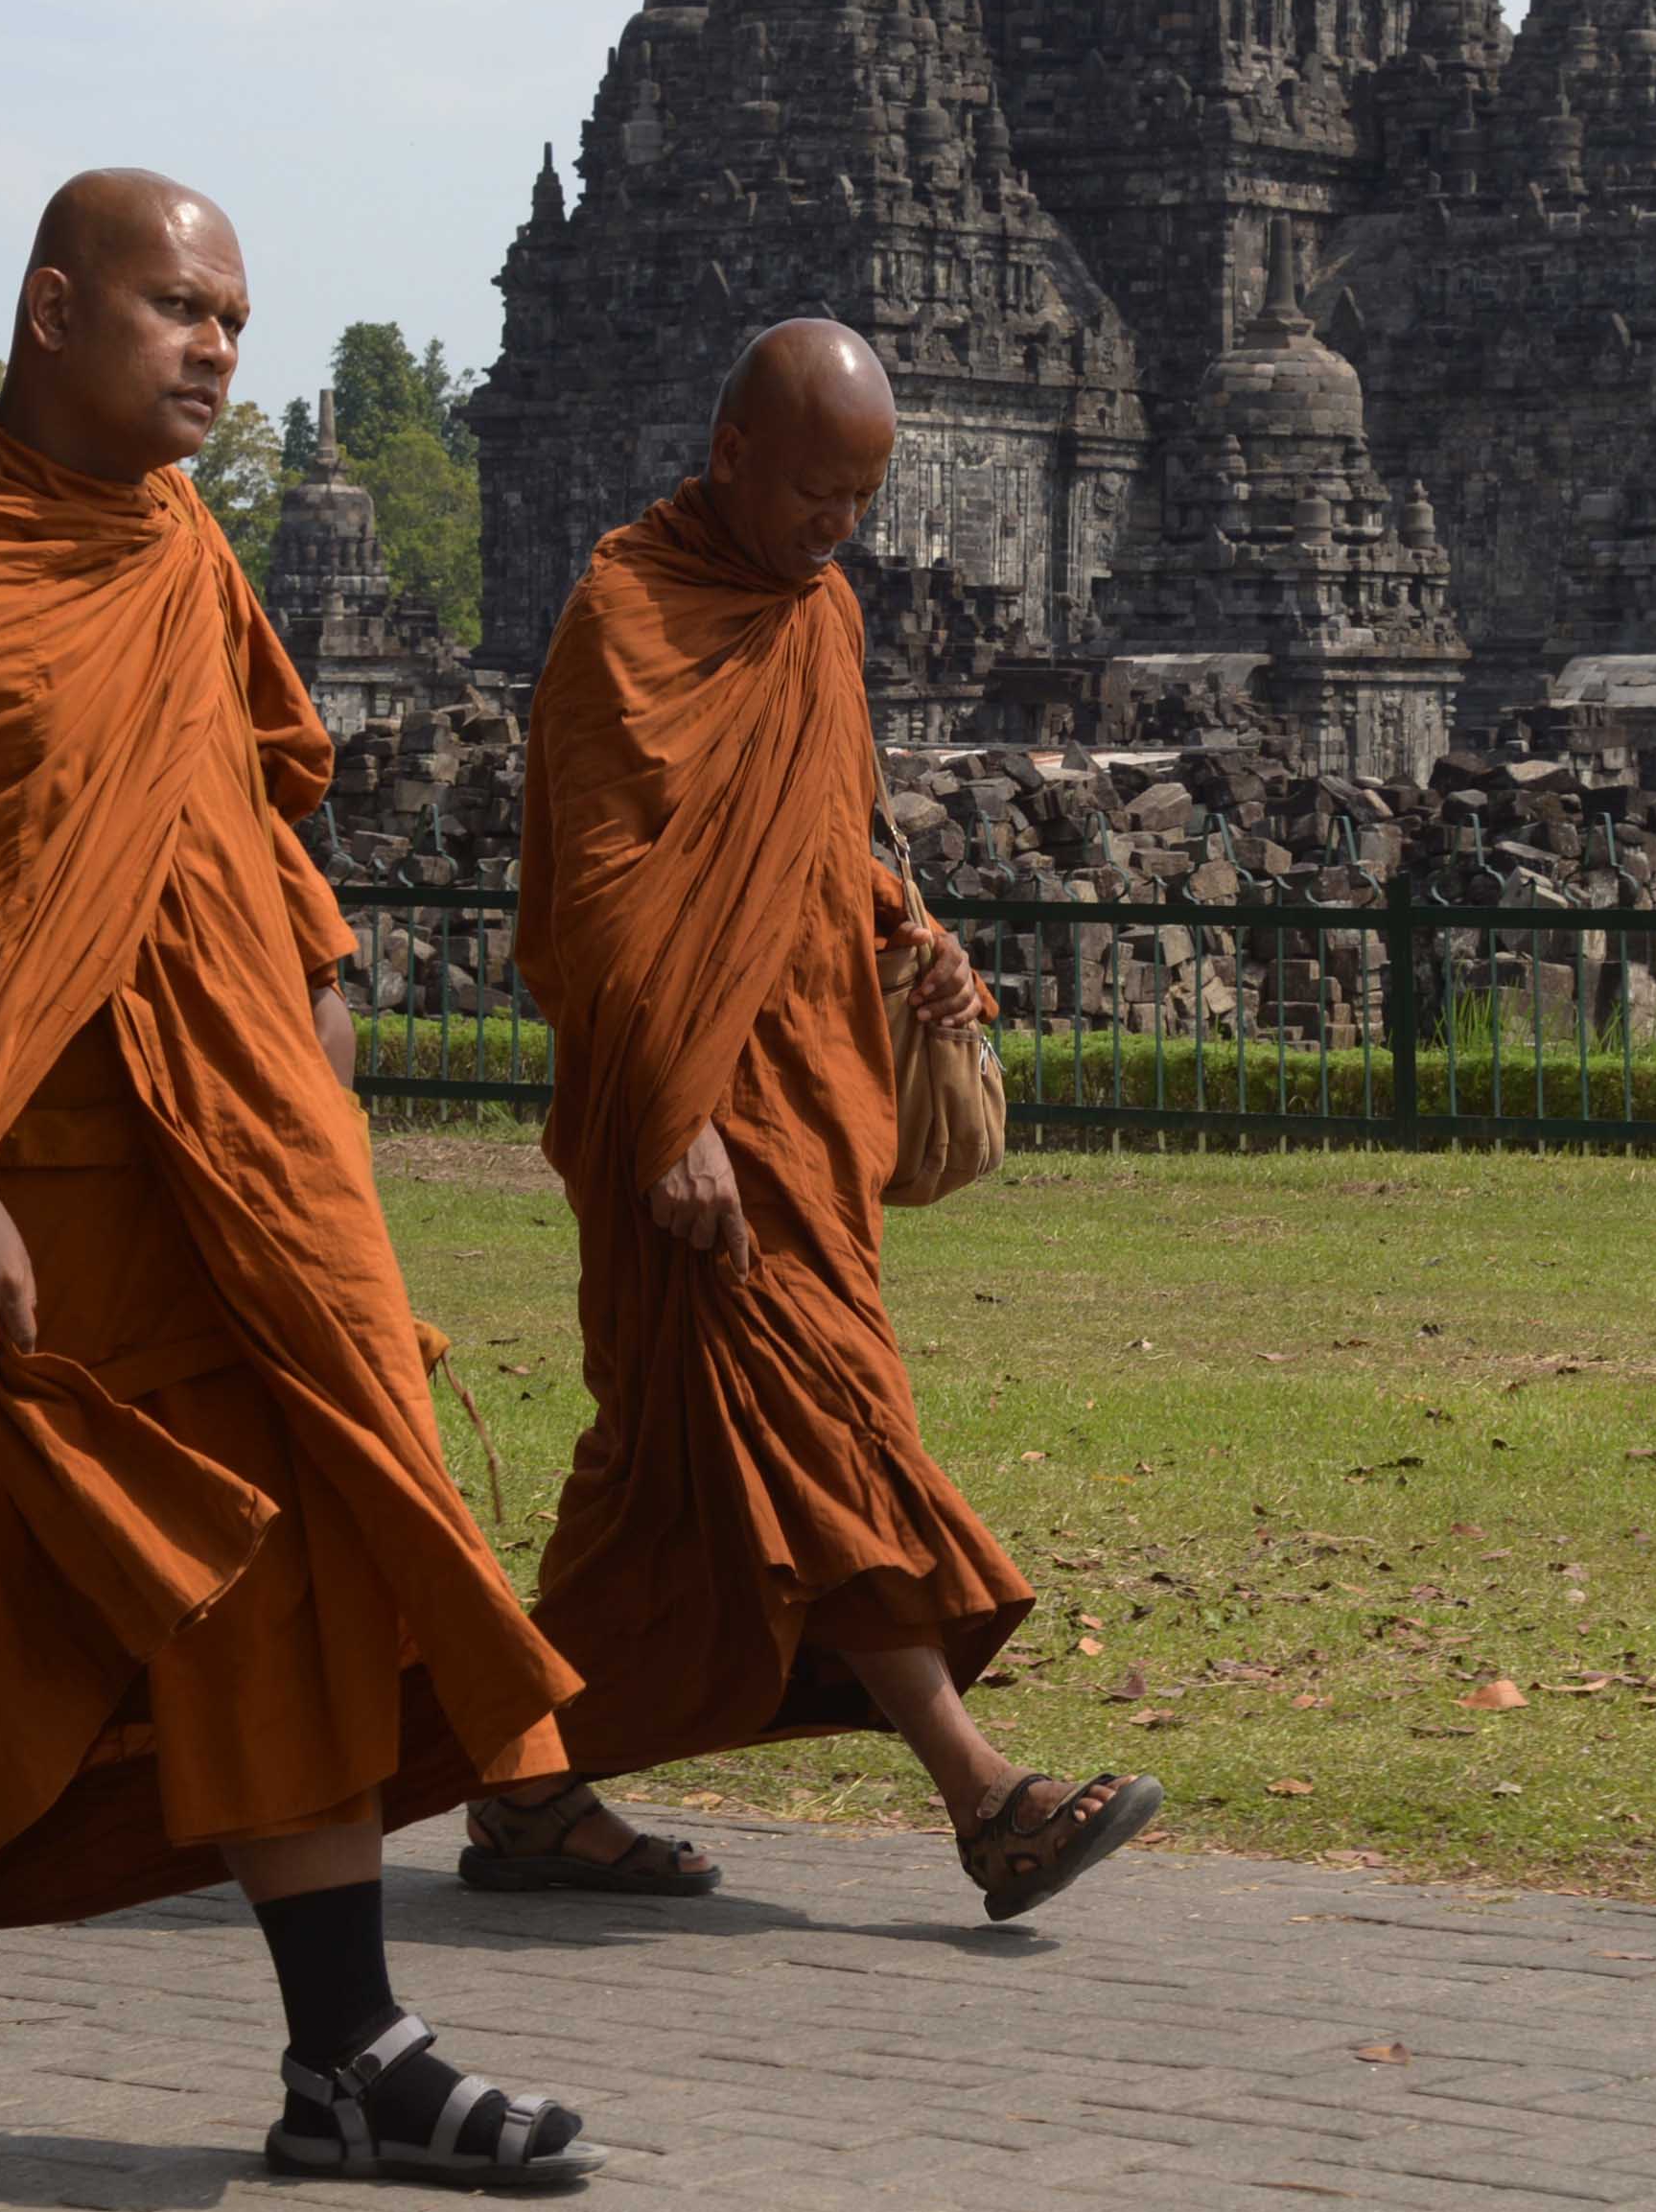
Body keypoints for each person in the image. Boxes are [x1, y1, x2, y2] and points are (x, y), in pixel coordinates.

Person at [0, 170, 600, 2189]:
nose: (219, 351)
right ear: (56, 311)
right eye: (180, 309)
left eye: (236, 318)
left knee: (304, 1547)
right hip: (18, 1177)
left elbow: (244, 792)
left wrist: (318, 963)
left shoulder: (175, 550)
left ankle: (349, 2050)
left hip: (221, 1164)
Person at [429, 316, 1156, 1921]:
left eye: (865, 495)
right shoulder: (629, 614)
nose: (842, 524)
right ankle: (986, 1795)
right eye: (817, 487)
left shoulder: (816, 613)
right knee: (820, 1424)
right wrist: (672, 1112)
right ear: (733, 451)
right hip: (700, 1121)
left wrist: (911, 934)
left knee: (662, 1472)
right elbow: (604, 903)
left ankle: (525, 1780)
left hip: (811, 1097)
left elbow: (824, 834)